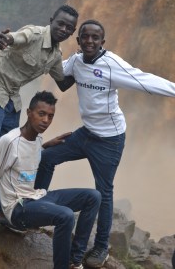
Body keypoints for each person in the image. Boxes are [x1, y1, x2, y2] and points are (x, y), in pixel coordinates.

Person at [35, 19, 175, 268]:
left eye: (95, 38)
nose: (89, 41)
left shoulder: (112, 64)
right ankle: (36, 208)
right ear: (78, 41)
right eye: (85, 37)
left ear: (102, 42)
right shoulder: (76, 61)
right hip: (86, 134)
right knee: (47, 157)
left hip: (109, 140)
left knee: (104, 192)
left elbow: (145, 81)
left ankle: (101, 248)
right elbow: (55, 69)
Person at [0, 4, 79, 238]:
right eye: (60, 23)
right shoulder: (33, 33)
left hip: (12, 98)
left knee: (13, 152)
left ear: (72, 33)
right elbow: (9, 38)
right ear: (51, 20)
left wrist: (85, 64)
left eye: (69, 28)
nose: (63, 29)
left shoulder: (55, 56)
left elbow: (62, 83)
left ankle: (2, 212)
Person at [0, 91, 101, 269]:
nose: (46, 120)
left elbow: (26, 157)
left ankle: (75, 261)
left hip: (37, 197)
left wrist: (43, 146)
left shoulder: (37, 140)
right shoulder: (8, 141)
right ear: (29, 113)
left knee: (93, 196)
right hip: (18, 209)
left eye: (50, 116)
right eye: (41, 114)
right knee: (65, 215)